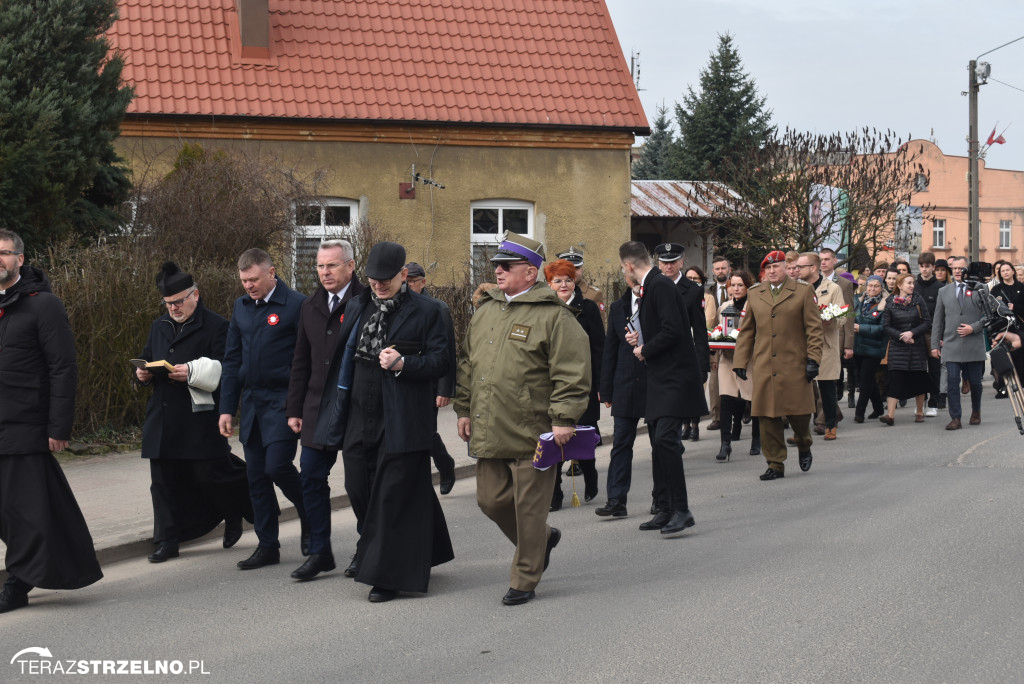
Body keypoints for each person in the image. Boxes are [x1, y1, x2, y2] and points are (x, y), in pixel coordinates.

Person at [455, 233, 590, 606]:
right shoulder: (485, 311)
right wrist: (463, 408)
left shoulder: (554, 316)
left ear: (530, 273)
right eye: (496, 265)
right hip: (491, 425)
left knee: (528, 510)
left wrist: (564, 418)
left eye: (506, 266)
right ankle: (543, 540)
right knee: (490, 500)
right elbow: (468, 363)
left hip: (536, 429)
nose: (497, 270)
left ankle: (525, 577)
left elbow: (572, 372)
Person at [316, 242, 454, 602]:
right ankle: (421, 547)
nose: (378, 285)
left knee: (391, 495)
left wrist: (406, 363)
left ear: (403, 276)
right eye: (373, 279)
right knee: (358, 486)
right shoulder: (359, 305)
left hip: (403, 413)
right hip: (360, 409)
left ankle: (387, 575)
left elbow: (442, 361)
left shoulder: (430, 311)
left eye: (386, 280)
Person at [0, 229, 102, 613]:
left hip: (26, 426)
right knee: (17, 511)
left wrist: (58, 427)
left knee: (24, 511)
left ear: (20, 259)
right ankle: (29, 568)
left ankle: (18, 581)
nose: (0, 259)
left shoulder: (44, 305)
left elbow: (64, 368)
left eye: (5, 253)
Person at [136, 262, 253, 564]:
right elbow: (149, 358)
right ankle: (166, 541)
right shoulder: (159, 326)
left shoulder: (217, 326)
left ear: (195, 295)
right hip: (162, 418)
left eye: (179, 301)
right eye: (168, 303)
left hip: (199, 418)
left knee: (209, 476)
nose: (173, 308)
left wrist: (192, 372)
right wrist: (143, 375)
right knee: (162, 482)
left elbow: (228, 370)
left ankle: (233, 513)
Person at [219, 248, 308, 570]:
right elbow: (232, 361)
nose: (248, 286)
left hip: (285, 403)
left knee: (277, 467)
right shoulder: (241, 308)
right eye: (243, 281)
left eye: (253, 279)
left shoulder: (296, 305)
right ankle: (268, 545)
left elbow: (307, 358)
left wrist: (302, 405)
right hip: (253, 405)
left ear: (271, 273)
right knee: (256, 477)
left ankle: (311, 513)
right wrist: (226, 408)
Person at [284, 239, 365, 581]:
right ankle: (320, 552)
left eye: (332, 265)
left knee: (361, 484)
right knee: (311, 480)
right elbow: (301, 360)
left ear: (350, 266)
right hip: (318, 407)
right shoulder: (310, 305)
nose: (325, 272)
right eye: (319, 266)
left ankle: (367, 548)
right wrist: (295, 408)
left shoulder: (368, 301)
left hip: (357, 406)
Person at [620, 241, 703, 533]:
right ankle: (665, 508)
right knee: (658, 442)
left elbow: (674, 330)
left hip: (674, 378)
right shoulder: (651, 285)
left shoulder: (660, 285)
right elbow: (660, 327)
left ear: (628, 265)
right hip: (660, 378)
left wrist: (645, 350)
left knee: (667, 441)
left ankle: (682, 509)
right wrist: (639, 340)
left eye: (622, 267)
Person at [733, 250, 824, 481]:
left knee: (800, 415)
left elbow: (814, 329)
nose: (772, 271)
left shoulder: (803, 291)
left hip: (795, 364)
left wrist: (813, 359)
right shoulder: (755, 294)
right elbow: (747, 331)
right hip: (765, 364)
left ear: (786, 267)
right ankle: (775, 463)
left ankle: (804, 444)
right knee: (767, 417)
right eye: (768, 268)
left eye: (777, 266)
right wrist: (740, 361)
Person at [545, 259, 603, 509]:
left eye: (568, 279)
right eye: (558, 280)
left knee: (583, 435)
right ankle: (554, 493)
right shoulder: (544, 309)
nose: (564, 284)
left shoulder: (588, 308)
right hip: (553, 385)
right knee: (554, 438)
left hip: (583, 384)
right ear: (549, 284)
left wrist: (601, 385)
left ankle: (590, 476)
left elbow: (599, 348)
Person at [403, 262, 458, 496]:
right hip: (404, 378)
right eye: (404, 281)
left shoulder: (437, 308)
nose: (406, 286)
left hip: (430, 381)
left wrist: (444, 389)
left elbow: (447, 352)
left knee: (426, 431)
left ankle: (445, 466)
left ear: (423, 282)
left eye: (411, 282)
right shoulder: (397, 305)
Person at [596, 280, 647, 518]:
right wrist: (606, 390)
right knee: (621, 445)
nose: (636, 281)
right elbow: (610, 349)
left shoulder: (659, 302)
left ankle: (662, 499)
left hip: (653, 383)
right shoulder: (618, 307)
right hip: (625, 385)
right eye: (631, 275)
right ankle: (616, 500)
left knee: (662, 445)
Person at [652, 243, 711, 440]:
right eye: (664, 262)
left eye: (673, 262)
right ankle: (672, 440)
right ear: (658, 263)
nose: (668, 267)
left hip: (683, 354)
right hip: (658, 354)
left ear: (681, 263)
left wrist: (703, 364)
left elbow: (700, 329)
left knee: (682, 398)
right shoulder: (652, 286)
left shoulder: (693, 290)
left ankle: (678, 436)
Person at [797, 252, 849, 441]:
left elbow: (843, 316)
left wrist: (830, 320)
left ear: (813, 268)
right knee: (801, 389)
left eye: (800, 267)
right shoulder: (797, 288)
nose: (797, 270)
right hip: (800, 345)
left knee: (826, 386)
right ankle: (800, 430)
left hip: (825, 343)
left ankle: (830, 425)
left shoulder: (832, 288)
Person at [931, 257, 987, 430]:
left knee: (976, 383)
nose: (957, 271)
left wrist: (974, 327)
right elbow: (938, 320)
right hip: (951, 344)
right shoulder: (944, 291)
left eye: (960, 268)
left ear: (967, 270)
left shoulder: (980, 289)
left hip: (973, 343)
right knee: (952, 381)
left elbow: (988, 316)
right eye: (954, 268)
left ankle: (976, 411)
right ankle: (955, 417)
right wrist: (934, 345)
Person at [714, 271, 760, 461]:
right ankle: (725, 444)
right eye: (733, 285)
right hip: (728, 358)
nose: (736, 288)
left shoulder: (755, 306)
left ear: (748, 286)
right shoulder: (724, 306)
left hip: (750, 359)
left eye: (740, 285)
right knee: (726, 400)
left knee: (754, 400)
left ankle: (757, 439)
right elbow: (719, 330)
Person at [880, 273, 933, 425]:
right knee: (895, 379)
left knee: (919, 378)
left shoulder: (918, 300)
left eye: (912, 283)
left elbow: (927, 322)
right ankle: (890, 416)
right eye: (908, 283)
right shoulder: (890, 301)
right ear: (899, 285)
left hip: (917, 346)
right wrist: (901, 335)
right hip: (898, 347)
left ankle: (920, 412)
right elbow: (886, 326)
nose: (912, 286)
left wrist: (912, 333)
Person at [852, 275, 887, 422]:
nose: (872, 289)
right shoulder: (858, 301)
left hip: (874, 347)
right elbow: (848, 316)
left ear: (881, 288)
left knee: (865, 381)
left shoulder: (886, 304)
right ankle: (879, 408)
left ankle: (859, 413)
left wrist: (861, 328)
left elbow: (883, 328)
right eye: (870, 285)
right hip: (857, 346)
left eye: (876, 286)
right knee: (867, 378)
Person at [988, 260, 1024, 393]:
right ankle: (1005, 386)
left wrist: (1016, 307)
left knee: (1020, 356)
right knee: (1005, 357)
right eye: (1002, 271)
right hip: (1004, 328)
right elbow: (991, 309)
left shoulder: (1021, 287)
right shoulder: (996, 290)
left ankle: (1020, 384)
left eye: (1007, 270)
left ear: (1013, 271)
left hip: (1019, 327)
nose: (1005, 272)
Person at [915, 253, 943, 416]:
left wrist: (941, 337)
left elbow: (943, 314)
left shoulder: (940, 287)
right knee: (919, 369)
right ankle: (921, 401)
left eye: (927, 266)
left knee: (934, 369)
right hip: (917, 332)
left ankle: (934, 402)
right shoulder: (914, 285)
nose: (925, 269)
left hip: (933, 332)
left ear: (933, 267)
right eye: (922, 266)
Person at [557, 246, 606, 324]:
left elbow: (600, 328)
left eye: (576, 268)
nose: (572, 272)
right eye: (568, 268)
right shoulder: (553, 292)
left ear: (582, 268)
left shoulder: (593, 294)